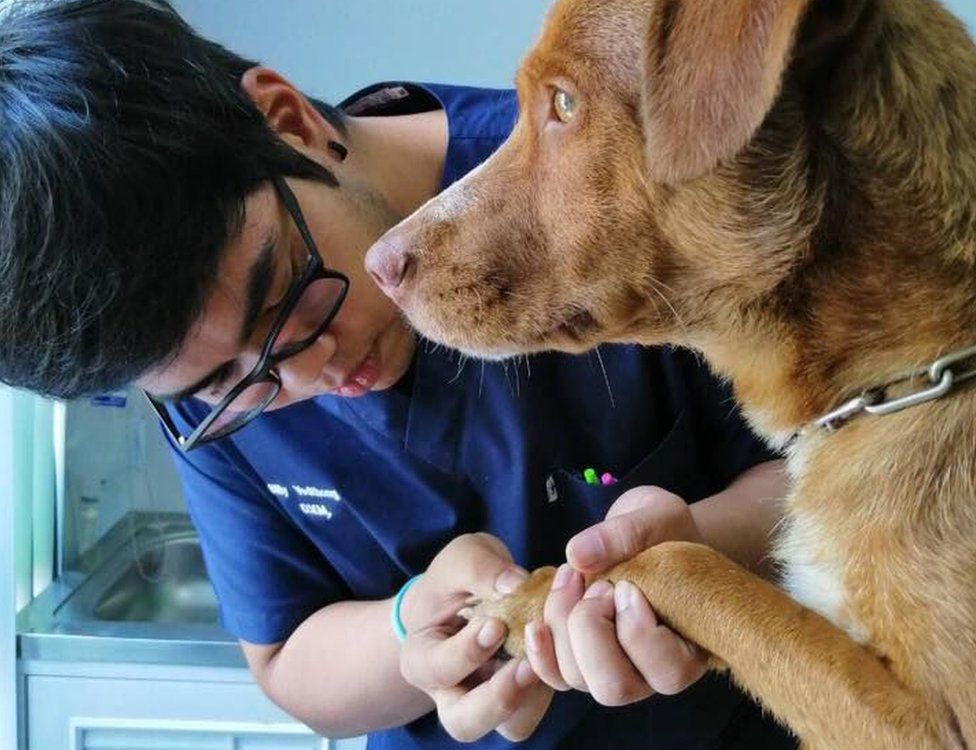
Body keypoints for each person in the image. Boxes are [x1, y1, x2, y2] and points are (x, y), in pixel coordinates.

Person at [0, 1, 797, 748]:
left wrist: (695, 554)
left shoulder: (602, 171)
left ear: (292, 122)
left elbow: (838, 471)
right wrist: (405, 632)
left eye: (284, 299)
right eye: (228, 387)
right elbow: (284, 654)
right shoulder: (207, 402)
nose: (314, 375)